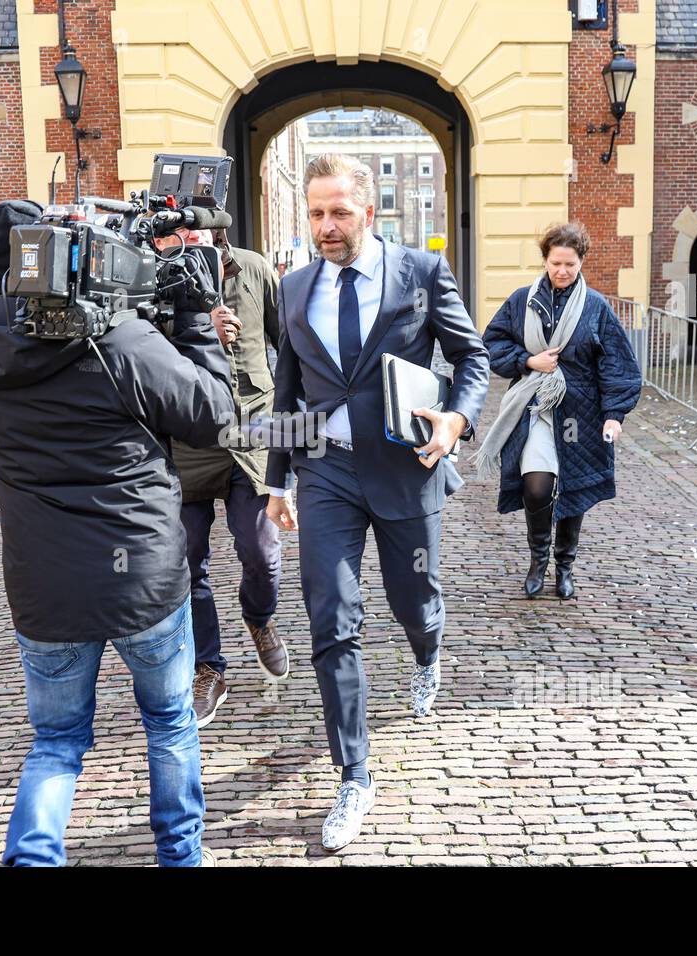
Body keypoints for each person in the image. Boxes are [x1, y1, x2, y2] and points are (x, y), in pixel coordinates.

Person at [0, 200, 236, 867]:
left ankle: (32, 859)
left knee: (56, 742)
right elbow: (214, 414)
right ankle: (181, 857)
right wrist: (193, 319)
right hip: (142, 570)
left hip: (42, 579)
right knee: (168, 723)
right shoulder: (118, 338)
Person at [263, 154, 491, 850]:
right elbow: (286, 386)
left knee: (412, 599)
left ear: (369, 212)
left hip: (404, 466)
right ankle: (354, 774)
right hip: (327, 472)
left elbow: (472, 357)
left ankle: (429, 649)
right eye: (316, 213)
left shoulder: (419, 275)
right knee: (331, 617)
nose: (326, 227)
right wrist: (279, 479)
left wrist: (456, 419)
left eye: (339, 213)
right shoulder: (294, 286)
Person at [155, 225, 289, 729]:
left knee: (261, 550)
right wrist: (195, 332)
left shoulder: (253, 269)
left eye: (199, 225)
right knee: (187, 562)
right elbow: (140, 358)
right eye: (180, 228)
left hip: (251, 436)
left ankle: (259, 619)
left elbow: (289, 347)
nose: (191, 236)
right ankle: (208, 666)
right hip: (185, 442)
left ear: (218, 227)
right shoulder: (152, 278)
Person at [478, 221, 642, 600]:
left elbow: (618, 364)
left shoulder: (596, 307)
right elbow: (491, 344)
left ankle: (565, 566)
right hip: (535, 407)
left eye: (570, 264)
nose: (562, 271)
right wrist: (528, 361)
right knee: (537, 487)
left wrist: (614, 414)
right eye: (555, 263)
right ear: (545, 261)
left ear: (581, 261)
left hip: (580, 413)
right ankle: (539, 561)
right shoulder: (523, 300)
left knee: (572, 489)